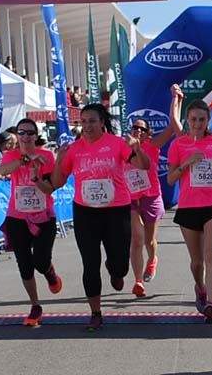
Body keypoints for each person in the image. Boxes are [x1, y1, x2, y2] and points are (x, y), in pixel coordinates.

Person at [54, 103, 150, 331]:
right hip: (85, 211)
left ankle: (116, 271)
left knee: (120, 267)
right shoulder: (74, 149)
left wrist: (136, 148)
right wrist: (59, 160)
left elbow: (143, 166)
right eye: (83, 121)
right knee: (90, 262)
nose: (87, 126)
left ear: (102, 122)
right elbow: (57, 182)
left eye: (92, 121)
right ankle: (95, 312)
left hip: (116, 210)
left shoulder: (117, 144)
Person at [167, 86, 212, 322]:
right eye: (194, 119)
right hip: (188, 206)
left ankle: (211, 304)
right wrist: (187, 163)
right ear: (187, 120)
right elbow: (170, 178)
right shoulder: (179, 144)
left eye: (202, 119)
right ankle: (200, 287)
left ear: (208, 120)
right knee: (197, 262)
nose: (197, 123)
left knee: (211, 253)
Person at [0, 117, 62, 328]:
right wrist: (23, 161)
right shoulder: (10, 154)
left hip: (44, 215)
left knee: (41, 261)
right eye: (21, 132)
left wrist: (36, 176)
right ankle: (35, 306)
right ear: (17, 135)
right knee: (24, 263)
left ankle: (50, 273)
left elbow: (50, 187)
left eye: (30, 133)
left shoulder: (46, 155)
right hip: (17, 216)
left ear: (36, 136)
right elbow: (3, 171)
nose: (25, 137)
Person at [127, 115, 175, 297]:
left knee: (149, 241)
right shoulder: (123, 148)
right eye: (135, 127)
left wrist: (176, 101)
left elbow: (171, 129)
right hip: (132, 199)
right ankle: (138, 281)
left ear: (148, 134)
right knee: (137, 240)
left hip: (151, 197)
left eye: (142, 129)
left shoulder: (152, 145)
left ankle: (153, 258)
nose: (138, 131)